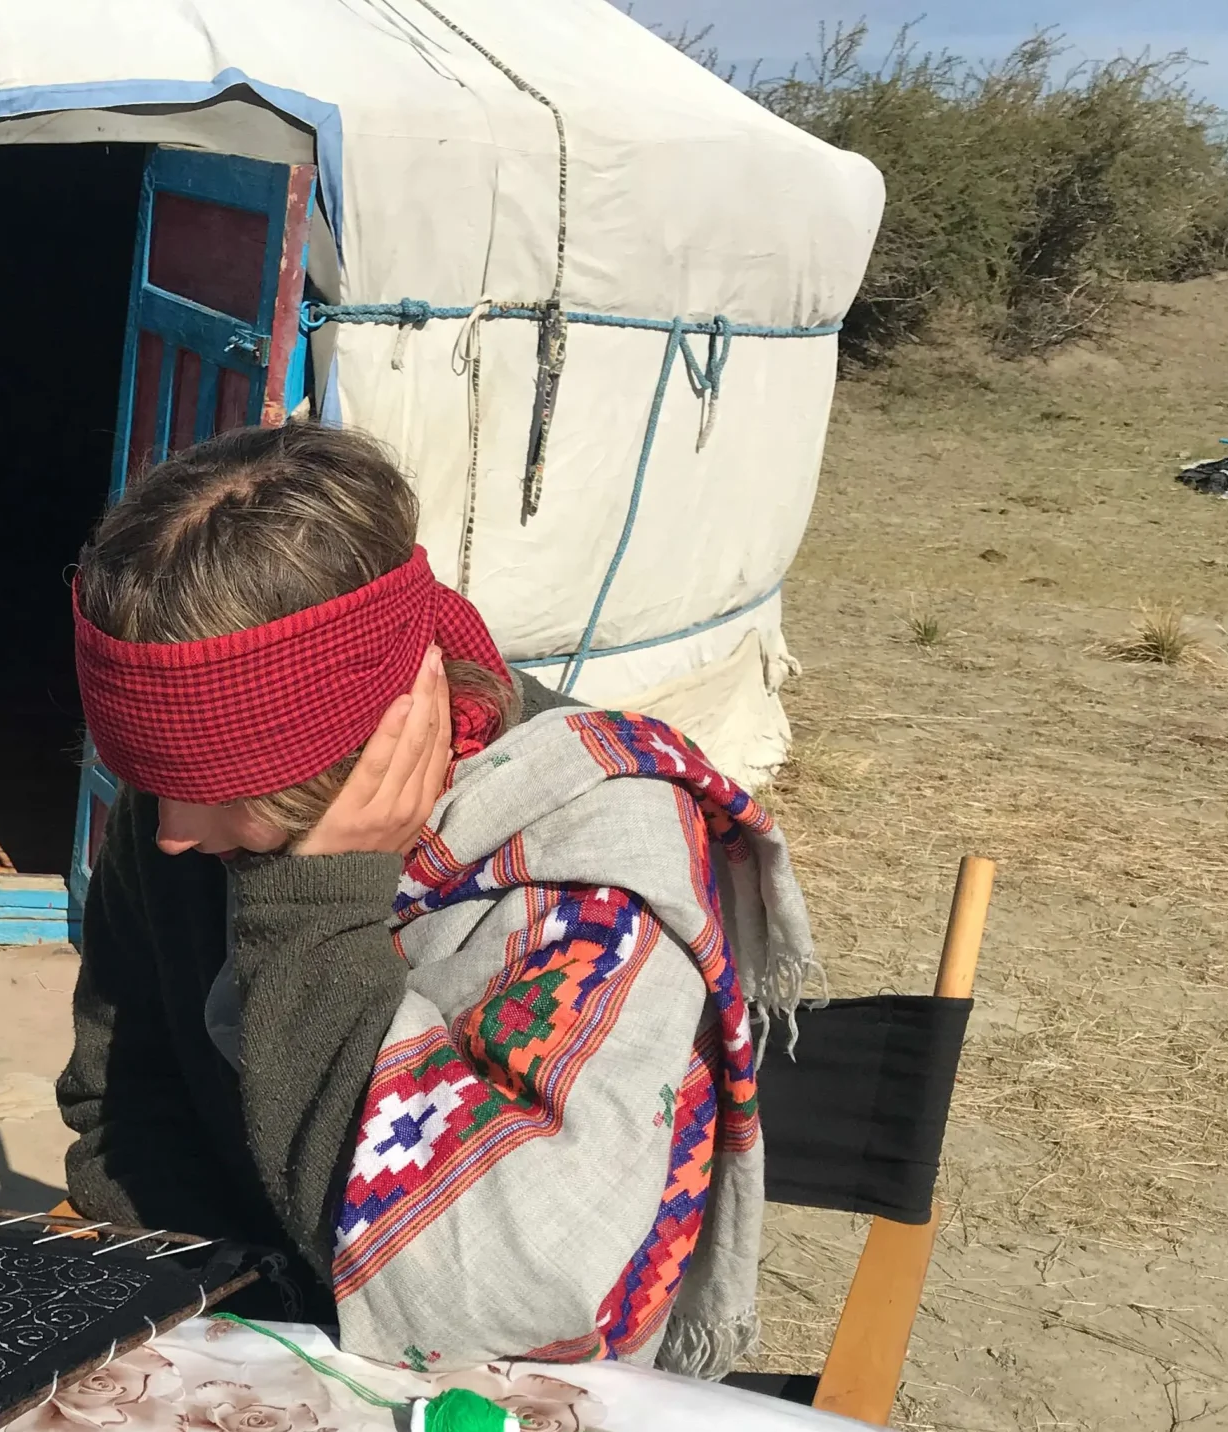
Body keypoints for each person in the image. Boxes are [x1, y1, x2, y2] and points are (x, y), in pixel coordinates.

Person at [56, 421, 816, 1376]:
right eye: (145, 775)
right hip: (246, 1350)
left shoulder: (592, 866)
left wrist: (313, 918)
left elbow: (501, 1295)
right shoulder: (189, 811)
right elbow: (121, 1101)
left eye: (214, 788)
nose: (167, 830)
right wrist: (257, 1312)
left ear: (354, 741)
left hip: (511, 1416)